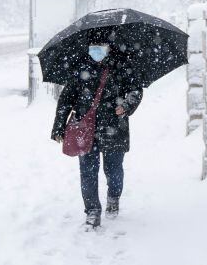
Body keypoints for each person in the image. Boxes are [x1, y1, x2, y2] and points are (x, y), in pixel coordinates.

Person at [51, 29, 143, 229]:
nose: (96, 51)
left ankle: (113, 196)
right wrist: (59, 126)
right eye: (93, 48)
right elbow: (66, 99)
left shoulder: (122, 67)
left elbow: (136, 90)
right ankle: (92, 210)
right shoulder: (80, 70)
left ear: (109, 48)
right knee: (88, 172)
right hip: (86, 129)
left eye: (100, 48)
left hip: (114, 127)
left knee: (114, 170)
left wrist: (127, 105)